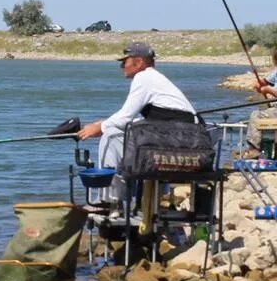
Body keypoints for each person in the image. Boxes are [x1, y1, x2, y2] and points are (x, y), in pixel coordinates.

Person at [77, 41, 196, 178]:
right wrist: (104, 122)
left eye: (125, 61)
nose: (121, 66)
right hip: (182, 136)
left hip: (179, 139)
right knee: (117, 132)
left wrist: (99, 128)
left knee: (111, 136)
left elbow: (125, 118)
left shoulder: (143, 77)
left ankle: (111, 196)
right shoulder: (153, 77)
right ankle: (136, 190)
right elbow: (157, 118)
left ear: (138, 62)